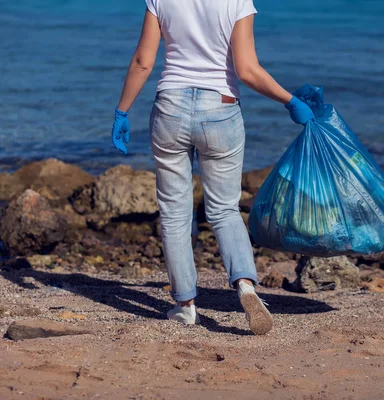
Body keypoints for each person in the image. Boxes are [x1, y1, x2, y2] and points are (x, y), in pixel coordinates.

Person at [111, 0, 314, 335]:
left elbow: (143, 62)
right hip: (221, 110)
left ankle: (185, 306)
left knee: (175, 213)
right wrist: (289, 101)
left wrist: (122, 110)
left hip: (170, 107)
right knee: (224, 210)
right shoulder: (237, 1)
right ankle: (246, 287)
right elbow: (247, 70)